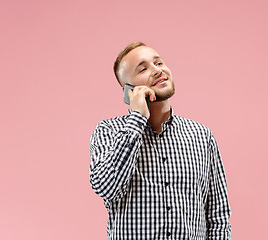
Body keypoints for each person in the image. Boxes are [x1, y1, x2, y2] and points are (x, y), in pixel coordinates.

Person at [89, 42, 232, 239]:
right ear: (127, 90)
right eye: (143, 68)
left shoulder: (202, 136)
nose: (157, 70)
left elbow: (218, 217)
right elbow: (106, 186)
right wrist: (137, 118)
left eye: (159, 63)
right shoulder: (108, 131)